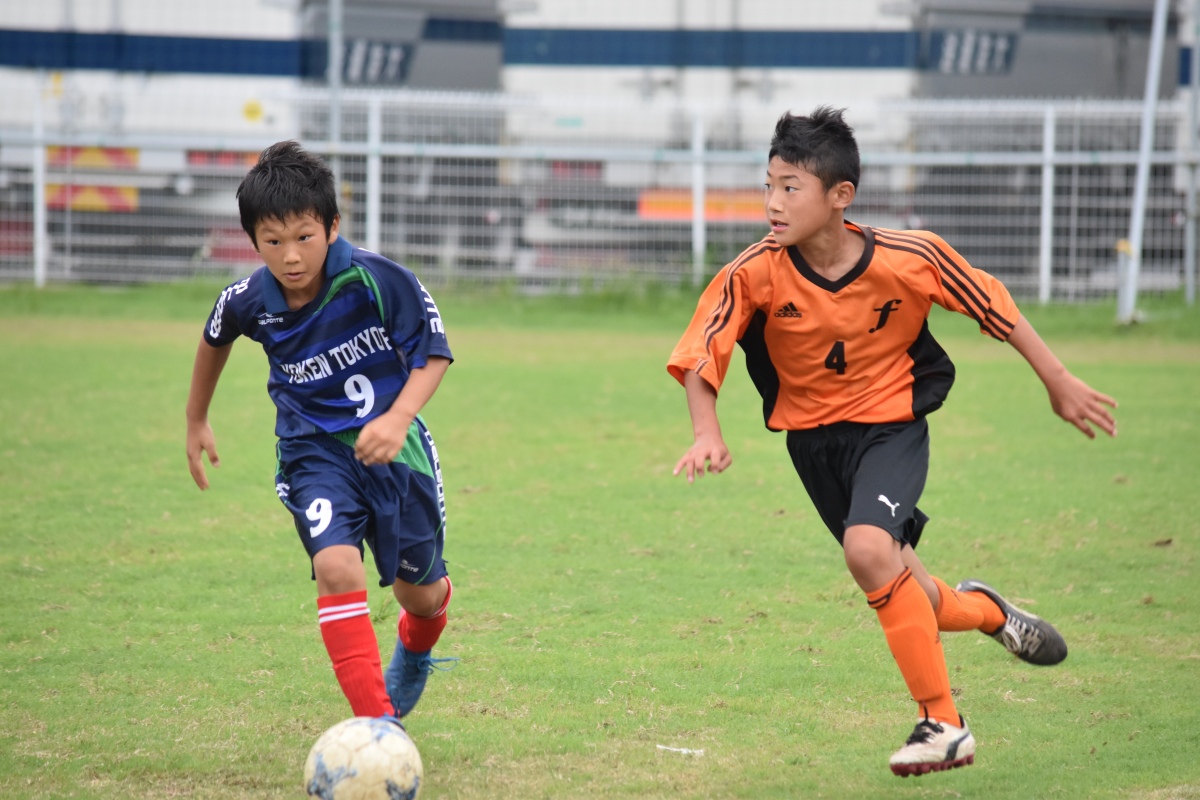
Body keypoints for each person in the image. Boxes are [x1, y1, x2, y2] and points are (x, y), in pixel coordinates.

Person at [667, 107, 1117, 777]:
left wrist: (1057, 379)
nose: (772, 203)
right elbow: (702, 351)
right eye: (769, 185)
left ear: (840, 195)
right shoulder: (754, 272)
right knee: (908, 586)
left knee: (868, 550)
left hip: (890, 428)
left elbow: (994, 305)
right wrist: (706, 432)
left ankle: (944, 724)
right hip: (813, 447)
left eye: (791, 187)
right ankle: (990, 613)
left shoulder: (912, 257)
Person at [185, 140, 457, 726]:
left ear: (332, 227)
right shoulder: (249, 299)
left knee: (422, 595)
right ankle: (377, 728)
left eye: (304, 237)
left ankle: (415, 649)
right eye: (272, 241)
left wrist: (397, 418)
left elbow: (433, 354)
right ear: (253, 240)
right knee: (336, 567)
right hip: (312, 453)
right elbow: (215, 336)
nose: (290, 256)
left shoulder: (376, 278)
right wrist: (196, 418)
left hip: (395, 452)